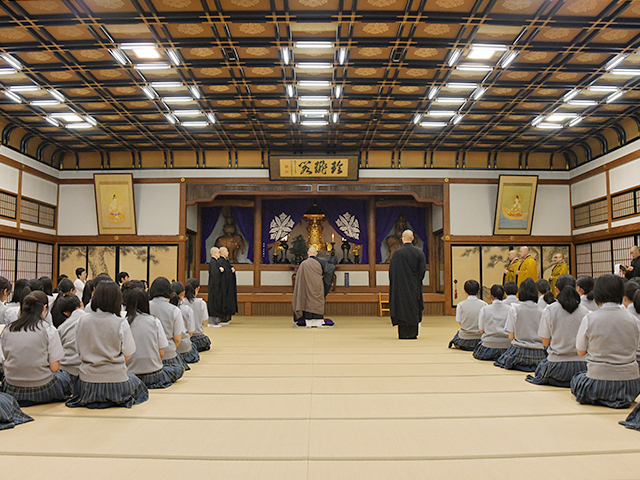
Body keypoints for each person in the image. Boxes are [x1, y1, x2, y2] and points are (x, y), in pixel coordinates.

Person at [66, 281, 149, 409]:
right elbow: (128, 354)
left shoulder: (82, 321)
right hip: (116, 381)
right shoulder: (121, 322)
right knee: (137, 383)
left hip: (88, 382)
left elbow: (79, 352)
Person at [571, 274, 640, 409]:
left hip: (598, 381)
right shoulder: (633, 319)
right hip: (630, 385)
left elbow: (580, 352)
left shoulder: (590, 318)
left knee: (577, 378)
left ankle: (602, 397)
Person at [1, 291, 72, 406]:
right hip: (42, 387)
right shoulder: (48, 329)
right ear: (44, 308)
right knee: (63, 375)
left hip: (12, 387)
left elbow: (4, 366)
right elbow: (54, 368)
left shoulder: (8, 329)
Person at [526, 275, 589, 387]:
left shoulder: (550, 309)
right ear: (576, 288)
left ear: (556, 289)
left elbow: (545, 342)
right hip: (582, 365)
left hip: (557, 366)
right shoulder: (585, 311)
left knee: (541, 368)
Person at [125, 288, 183, 389]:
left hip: (130, 373)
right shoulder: (154, 321)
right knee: (178, 369)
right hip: (153, 374)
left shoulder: (124, 322)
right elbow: (161, 353)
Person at [494, 278, 547, 372]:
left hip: (518, 352)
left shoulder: (514, 309)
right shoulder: (543, 311)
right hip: (538, 353)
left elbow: (511, 336)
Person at [389, 230, 426, 339]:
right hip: (414, 287)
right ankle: (413, 333)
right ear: (413, 238)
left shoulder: (397, 253)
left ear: (403, 238)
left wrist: (395, 284)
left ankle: (403, 333)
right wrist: (416, 281)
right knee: (414, 307)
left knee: (402, 308)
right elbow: (422, 271)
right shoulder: (419, 253)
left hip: (400, 287)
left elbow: (392, 271)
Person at [148, 277, 187, 373]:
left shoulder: (146, 306)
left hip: (148, 353)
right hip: (168, 354)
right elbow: (177, 339)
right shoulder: (174, 310)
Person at [292, 247, 332, 327]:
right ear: (316, 254)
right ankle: (318, 321)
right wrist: (325, 282)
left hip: (306, 287)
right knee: (317, 301)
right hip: (318, 286)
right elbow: (331, 268)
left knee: (308, 302)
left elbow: (299, 279)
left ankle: (308, 321)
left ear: (308, 253)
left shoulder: (303, 264)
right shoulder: (321, 263)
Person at [473, 284, 512, 361]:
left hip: (488, 346)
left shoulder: (484, 309)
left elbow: (481, 330)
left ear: (491, 296)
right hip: (506, 346)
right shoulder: (511, 309)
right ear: (504, 295)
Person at [448, 280, 487, 351]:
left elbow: (460, 322)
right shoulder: (484, 304)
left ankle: (462, 346)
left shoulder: (461, 305)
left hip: (465, 338)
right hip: (480, 337)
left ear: (465, 291)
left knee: (457, 336)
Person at [56, 294, 85, 383]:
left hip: (66, 370)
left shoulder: (61, 327)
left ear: (65, 313)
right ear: (81, 303)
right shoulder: (92, 320)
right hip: (87, 368)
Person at [170, 281, 200, 364]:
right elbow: (190, 332)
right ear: (183, 293)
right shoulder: (186, 309)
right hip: (181, 346)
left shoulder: (164, 309)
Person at [185, 278, 211, 351]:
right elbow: (203, 322)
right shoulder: (201, 303)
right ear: (197, 288)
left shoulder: (182, 302)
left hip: (185, 337)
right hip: (198, 337)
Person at [219, 246, 238, 325]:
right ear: (222, 252)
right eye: (226, 251)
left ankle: (227, 318)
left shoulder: (226, 261)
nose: (228, 252)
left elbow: (227, 268)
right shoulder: (220, 261)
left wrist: (231, 268)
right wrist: (230, 270)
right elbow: (223, 271)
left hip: (228, 285)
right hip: (223, 286)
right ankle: (223, 318)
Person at [207, 247, 223, 327]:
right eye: (218, 252)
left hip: (216, 285)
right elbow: (214, 273)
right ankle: (212, 322)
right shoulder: (213, 262)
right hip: (214, 286)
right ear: (214, 253)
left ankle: (216, 321)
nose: (219, 254)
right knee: (214, 302)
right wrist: (220, 270)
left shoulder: (215, 262)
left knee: (217, 302)